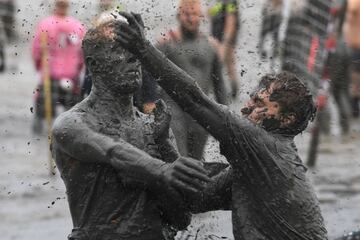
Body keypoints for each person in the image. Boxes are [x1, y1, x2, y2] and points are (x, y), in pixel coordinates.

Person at [115, 12, 328, 239]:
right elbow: (197, 199)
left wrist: (143, 49)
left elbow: (195, 99)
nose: (246, 108)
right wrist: (164, 142)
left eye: (259, 103)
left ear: (286, 119)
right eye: (251, 98)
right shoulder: (250, 165)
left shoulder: (265, 146)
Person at [51, 16, 212, 240]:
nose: (132, 58)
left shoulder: (153, 128)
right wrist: (162, 170)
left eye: (134, 50)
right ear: (94, 64)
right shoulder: (71, 124)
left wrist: (165, 146)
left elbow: (181, 218)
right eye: (119, 50)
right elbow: (112, 151)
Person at [145, 0, 228, 160]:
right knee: (178, 157)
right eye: (186, 14)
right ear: (178, 16)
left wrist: (225, 114)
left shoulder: (211, 46)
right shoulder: (166, 43)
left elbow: (219, 83)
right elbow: (147, 70)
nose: (190, 18)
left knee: (197, 159)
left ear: (201, 17)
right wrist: (149, 100)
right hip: (173, 108)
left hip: (200, 109)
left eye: (194, 14)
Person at [31, 0, 86, 134]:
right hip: (69, 74)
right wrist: (79, 68)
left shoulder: (46, 24)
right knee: (71, 112)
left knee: (44, 108)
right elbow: (84, 53)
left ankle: (42, 127)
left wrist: (39, 67)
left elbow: (36, 51)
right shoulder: (77, 25)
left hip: (52, 73)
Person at [208, 0, 240, 97]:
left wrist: (225, 42)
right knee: (229, 63)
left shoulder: (230, 2)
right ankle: (234, 88)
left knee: (218, 63)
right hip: (217, 37)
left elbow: (231, 21)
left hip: (225, 38)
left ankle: (209, 89)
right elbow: (209, 13)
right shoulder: (217, 3)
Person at [343, 0, 360, 118]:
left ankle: (354, 106)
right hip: (353, 43)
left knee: (355, 77)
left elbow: (351, 11)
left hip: (355, 44)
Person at [259, 0, 282, 70]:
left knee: (275, 36)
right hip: (269, 10)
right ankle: (262, 48)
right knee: (264, 32)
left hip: (277, 12)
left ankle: (274, 55)